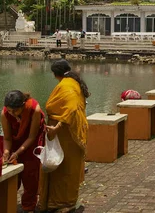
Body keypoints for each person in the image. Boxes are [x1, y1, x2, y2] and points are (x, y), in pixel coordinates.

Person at [38, 60, 90, 212]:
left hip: (66, 132)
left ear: (55, 74)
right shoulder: (73, 83)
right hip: (65, 131)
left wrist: (56, 128)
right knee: (58, 166)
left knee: (65, 168)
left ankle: (65, 203)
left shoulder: (66, 86)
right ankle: (54, 202)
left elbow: (72, 109)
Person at [0, 90, 45, 212]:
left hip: (31, 143)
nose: (12, 114)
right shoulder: (5, 114)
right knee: (11, 174)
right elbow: (7, 138)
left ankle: (29, 206)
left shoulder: (33, 109)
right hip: (14, 142)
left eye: (15, 110)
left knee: (30, 175)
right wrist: (6, 151)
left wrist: (18, 153)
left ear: (23, 105)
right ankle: (7, 204)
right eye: (9, 110)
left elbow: (32, 137)